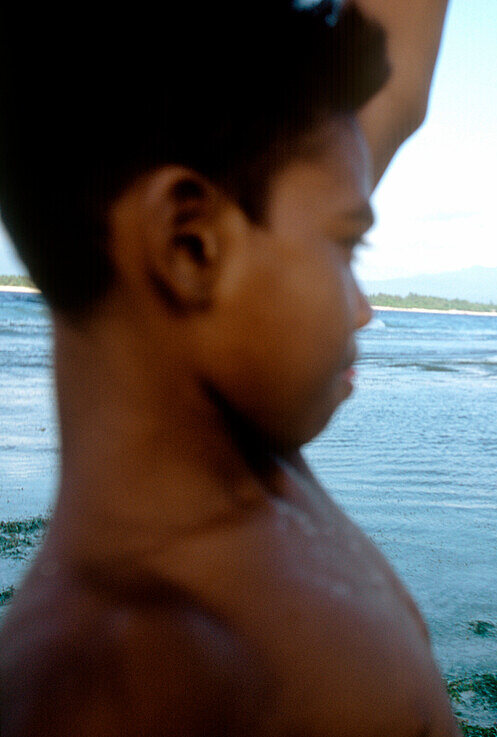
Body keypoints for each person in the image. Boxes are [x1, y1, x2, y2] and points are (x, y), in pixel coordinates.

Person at [0, 1, 460, 735]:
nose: (366, 308)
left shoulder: (250, 470)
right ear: (189, 246)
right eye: (348, 249)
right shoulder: (119, 681)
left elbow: (398, 72)